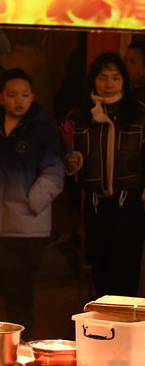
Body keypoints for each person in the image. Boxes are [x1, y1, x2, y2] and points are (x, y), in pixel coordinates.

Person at [0, 69, 64, 339]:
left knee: (20, 287)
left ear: (33, 97)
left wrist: (31, 202)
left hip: (27, 224)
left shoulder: (42, 132)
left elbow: (54, 173)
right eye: (12, 95)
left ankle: (23, 340)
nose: (19, 100)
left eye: (25, 95)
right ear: (0, 98)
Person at [64, 53, 145, 297]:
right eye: (102, 78)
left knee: (127, 267)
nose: (109, 84)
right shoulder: (78, 116)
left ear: (124, 81)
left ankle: (126, 326)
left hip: (130, 200)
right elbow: (68, 158)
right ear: (93, 80)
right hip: (96, 201)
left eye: (116, 78)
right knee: (100, 266)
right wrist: (72, 164)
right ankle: (103, 325)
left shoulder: (139, 113)